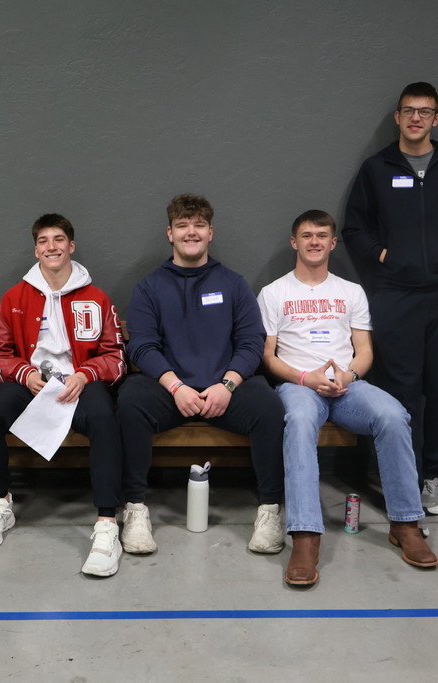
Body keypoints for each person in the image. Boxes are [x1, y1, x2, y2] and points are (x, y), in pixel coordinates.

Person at [258, 210, 438, 585]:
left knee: (393, 415)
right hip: (299, 385)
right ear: (295, 242)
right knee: (301, 421)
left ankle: (405, 523)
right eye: (306, 235)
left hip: (347, 386)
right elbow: (268, 356)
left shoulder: (350, 291)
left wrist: (349, 374)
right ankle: (306, 536)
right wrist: (306, 377)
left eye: (322, 235)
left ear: (333, 243)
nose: (314, 242)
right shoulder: (274, 293)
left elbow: (364, 349)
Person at [117, 193, 285, 556]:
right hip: (172, 391)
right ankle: (135, 509)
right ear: (169, 233)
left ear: (210, 232)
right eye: (182, 226)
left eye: (198, 226)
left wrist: (227, 384)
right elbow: (142, 346)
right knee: (130, 401)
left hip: (225, 390)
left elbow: (251, 343)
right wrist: (175, 386)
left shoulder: (233, 283)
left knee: (269, 406)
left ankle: (270, 510)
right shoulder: (150, 287)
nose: (190, 232)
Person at [342, 81, 438, 516]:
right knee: (400, 390)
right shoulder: (376, 167)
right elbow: (354, 229)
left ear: (436, 119)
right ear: (398, 118)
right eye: (408, 111)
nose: (416, 118)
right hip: (396, 296)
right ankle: (403, 471)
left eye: (425, 111)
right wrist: (385, 256)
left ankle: (432, 476)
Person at [0, 213, 127, 577]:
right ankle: (0, 501)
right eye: (43, 241)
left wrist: (87, 373)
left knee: (105, 419)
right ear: (36, 249)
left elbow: (115, 358)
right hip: (32, 383)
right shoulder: (14, 296)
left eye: (58, 239)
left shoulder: (97, 297)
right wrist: (23, 373)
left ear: (71, 246)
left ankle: (107, 522)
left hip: (79, 383)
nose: (51, 246)